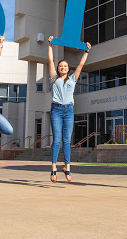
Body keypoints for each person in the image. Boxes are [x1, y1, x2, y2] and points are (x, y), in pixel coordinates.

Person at [48, 36, 91, 182]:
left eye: (65, 66)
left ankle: (67, 166)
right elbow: (50, 61)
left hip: (69, 111)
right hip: (56, 110)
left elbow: (80, 65)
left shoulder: (73, 78)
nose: (62, 67)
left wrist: (86, 51)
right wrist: (50, 46)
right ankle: (53, 167)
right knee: (57, 139)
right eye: (61, 66)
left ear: (68, 68)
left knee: (66, 140)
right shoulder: (54, 78)